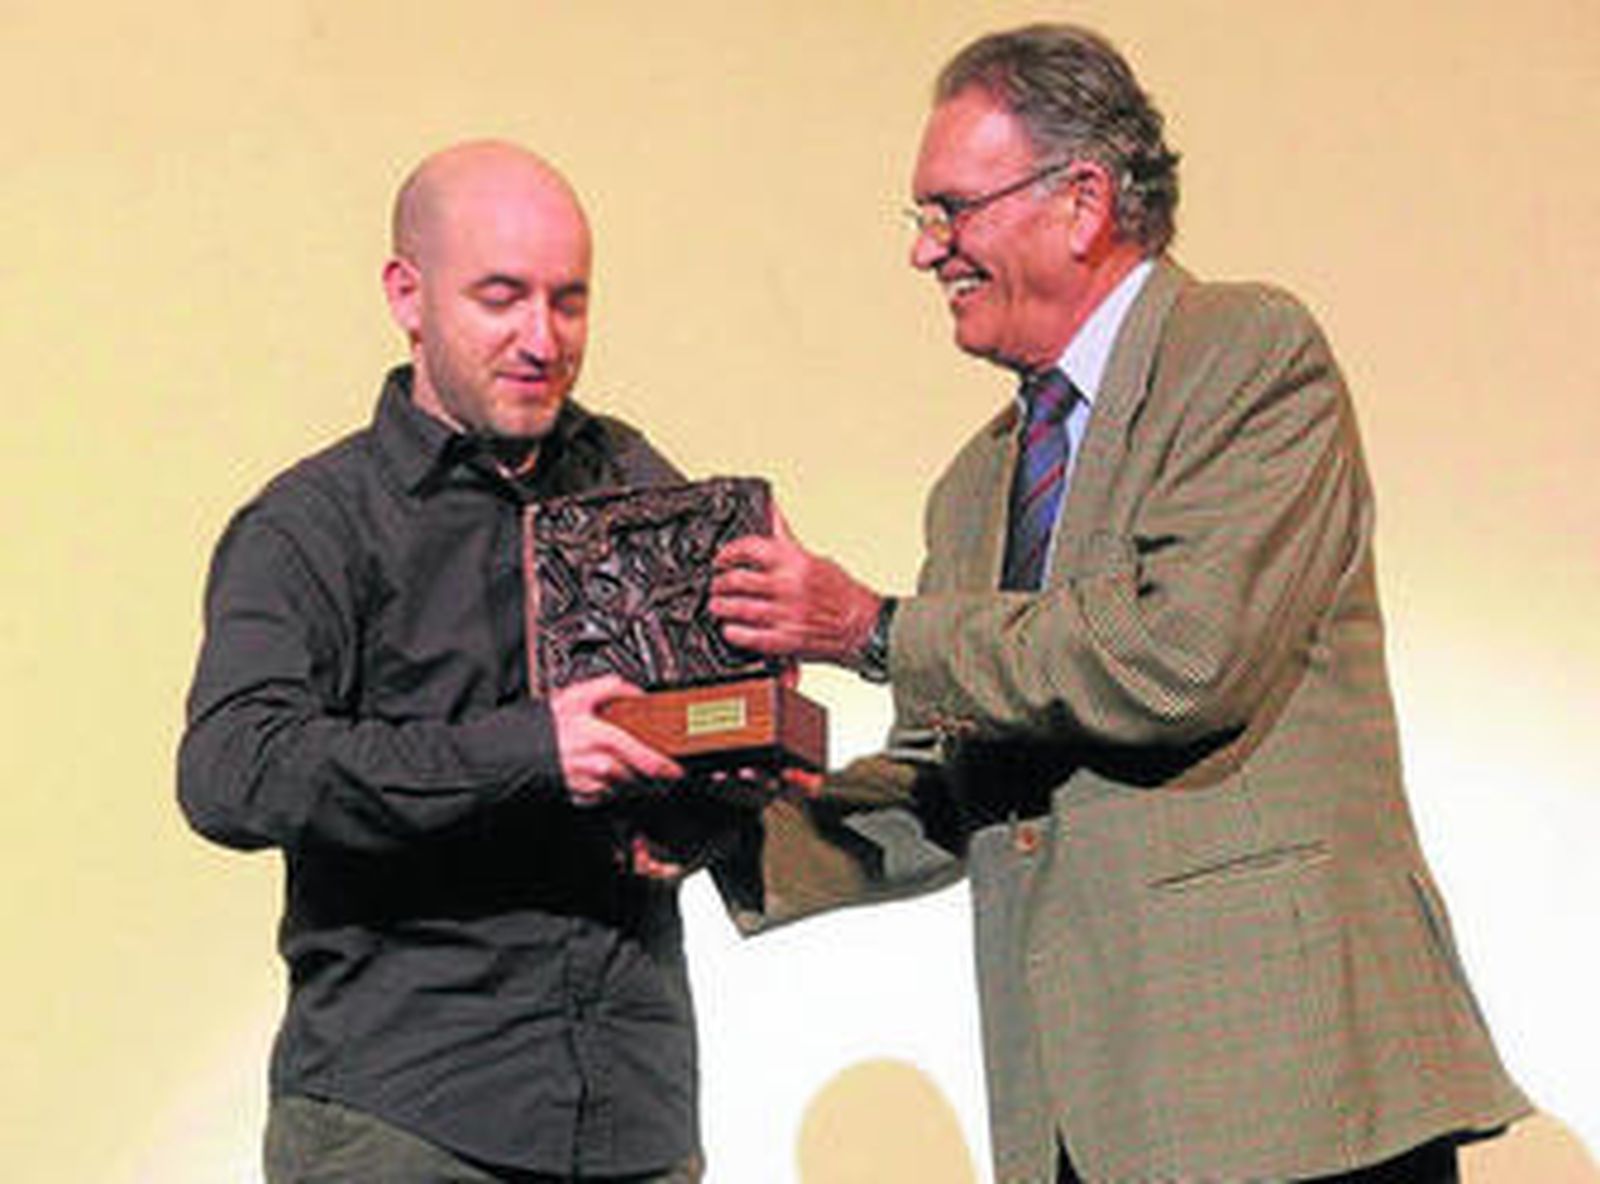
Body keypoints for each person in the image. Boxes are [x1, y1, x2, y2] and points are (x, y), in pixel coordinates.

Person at [710, 24, 1530, 1183]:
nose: (925, 253)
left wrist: (871, 628)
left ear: (1080, 200)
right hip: (1082, 1116)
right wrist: (728, 825)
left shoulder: (1247, 354)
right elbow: (960, 775)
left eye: (949, 211)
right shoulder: (974, 483)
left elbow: (1179, 653)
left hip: (1288, 1095)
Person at [179, 140, 718, 1183]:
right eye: (501, 298)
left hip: (634, 1111)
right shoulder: (314, 524)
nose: (540, 338)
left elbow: (691, 730)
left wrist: (726, 780)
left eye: (569, 302)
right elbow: (232, 768)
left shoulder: (635, 483)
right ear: (406, 294)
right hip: (411, 1116)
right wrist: (525, 750)